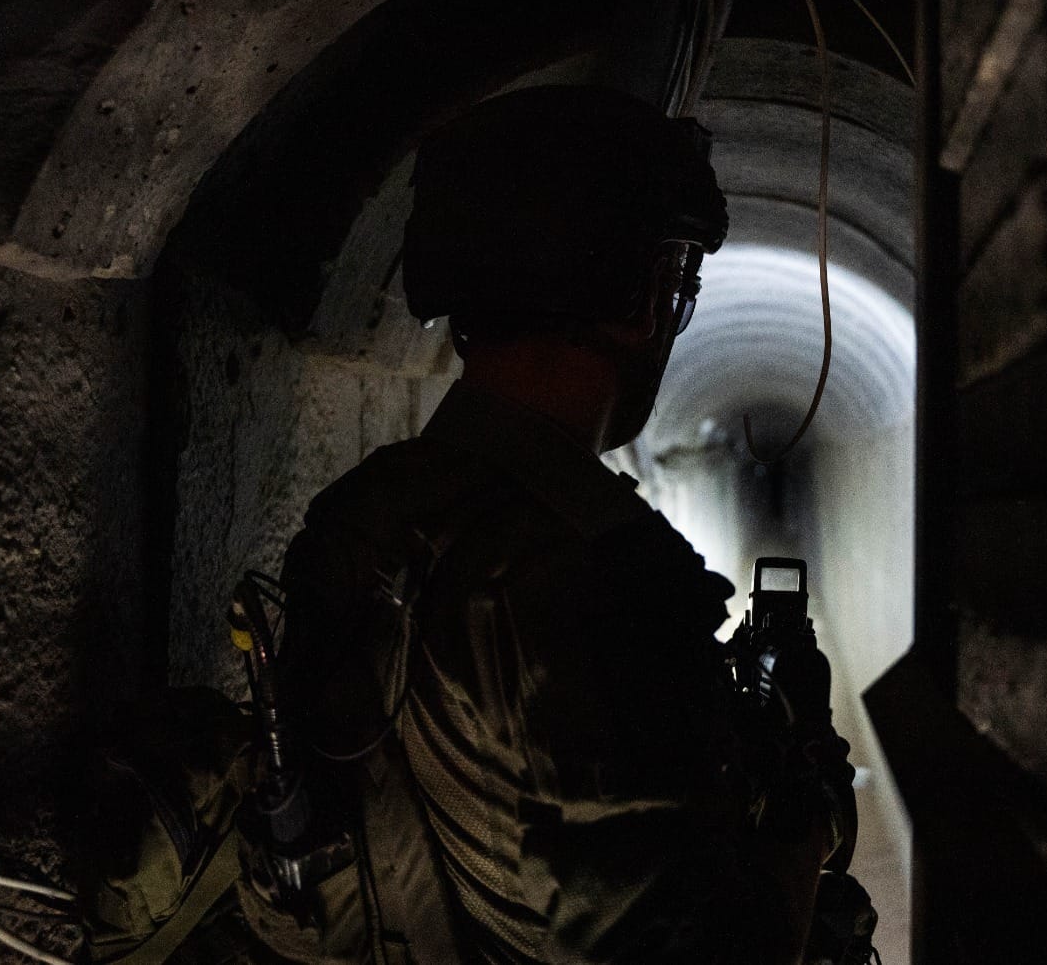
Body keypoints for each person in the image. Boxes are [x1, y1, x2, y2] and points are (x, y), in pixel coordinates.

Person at [261, 85, 854, 964]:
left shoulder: (360, 515)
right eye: (677, 281)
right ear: (644, 302)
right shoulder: (602, 588)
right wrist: (807, 808)